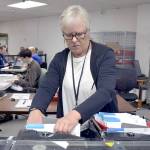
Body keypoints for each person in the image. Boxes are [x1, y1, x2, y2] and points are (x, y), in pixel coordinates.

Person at [27, 5, 118, 133]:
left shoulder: (104, 55)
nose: (74, 40)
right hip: (67, 129)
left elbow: (106, 92)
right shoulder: (60, 59)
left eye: (79, 34)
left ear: (88, 31)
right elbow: (46, 88)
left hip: (99, 129)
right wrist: (35, 109)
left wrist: (74, 115)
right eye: (69, 35)